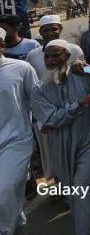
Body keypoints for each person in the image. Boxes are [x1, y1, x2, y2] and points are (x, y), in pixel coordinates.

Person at [31, 40, 90, 235]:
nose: (50, 60)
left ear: (67, 56)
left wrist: (87, 67)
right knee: (73, 191)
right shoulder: (38, 89)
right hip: (59, 145)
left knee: (83, 185)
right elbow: (52, 119)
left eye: (55, 55)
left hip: (88, 139)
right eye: (47, 56)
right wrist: (80, 103)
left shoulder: (84, 72)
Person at [0, 25, 38, 235]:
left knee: (3, 190)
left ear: (1, 45)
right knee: (9, 191)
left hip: (16, 140)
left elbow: (37, 100)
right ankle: (17, 222)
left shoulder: (21, 68)